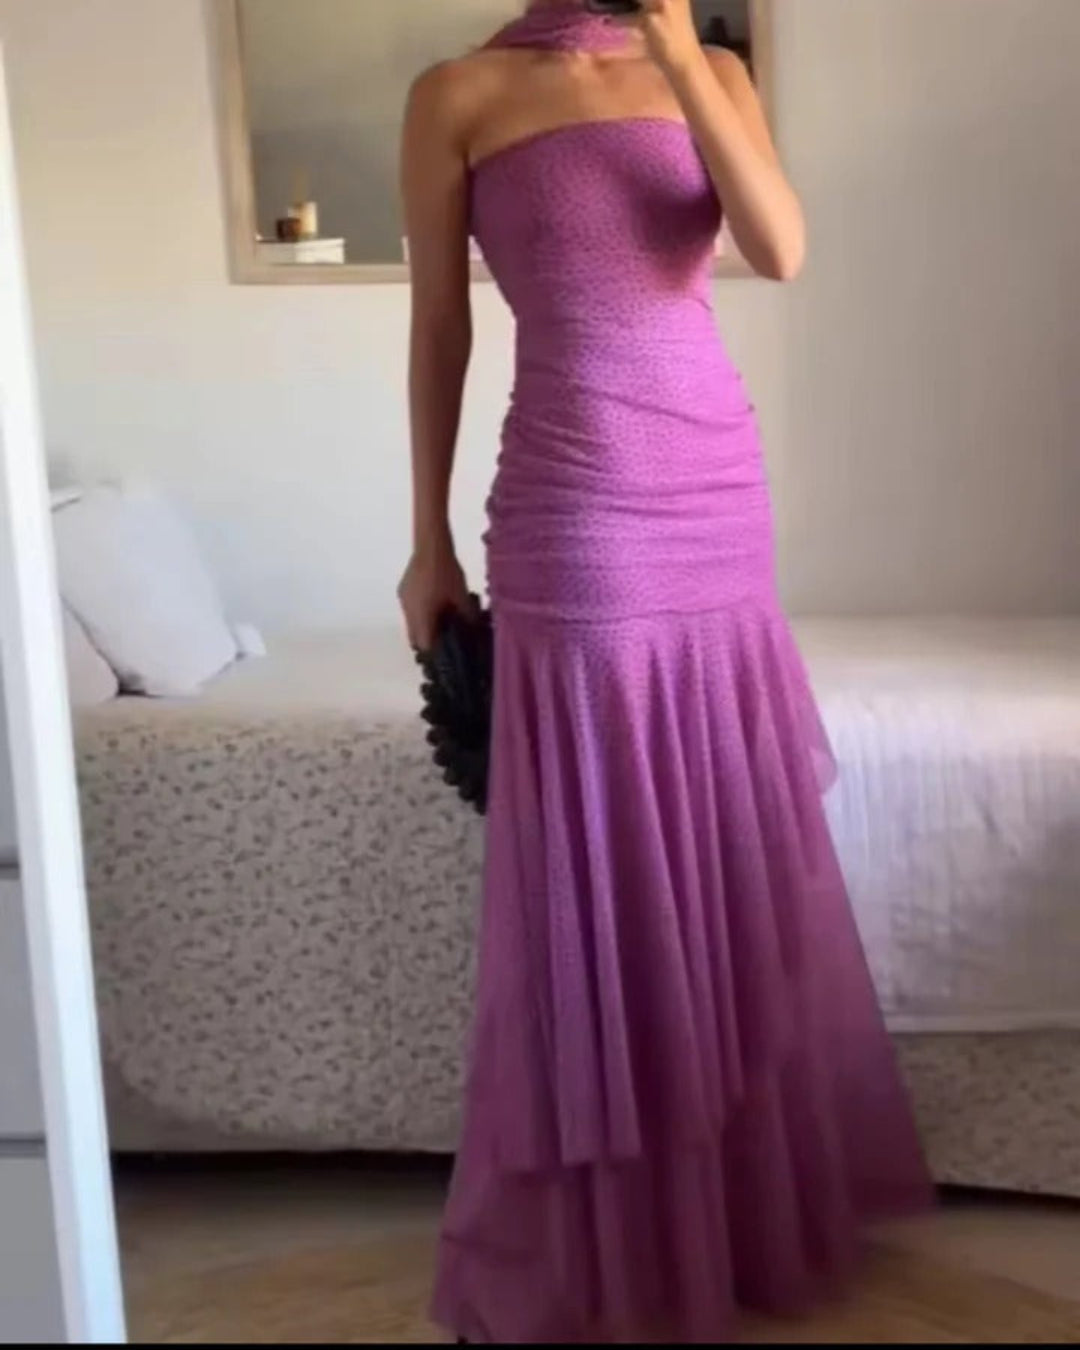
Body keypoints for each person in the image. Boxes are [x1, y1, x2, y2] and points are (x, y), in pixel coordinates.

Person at [398, 1, 932, 1342]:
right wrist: (425, 541)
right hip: (574, 498)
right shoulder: (457, 93)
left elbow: (780, 248)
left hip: (713, 487)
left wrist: (684, 54)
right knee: (606, 852)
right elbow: (440, 324)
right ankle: (620, 1238)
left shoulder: (715, 71)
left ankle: (735, 1218)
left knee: (727, 837)